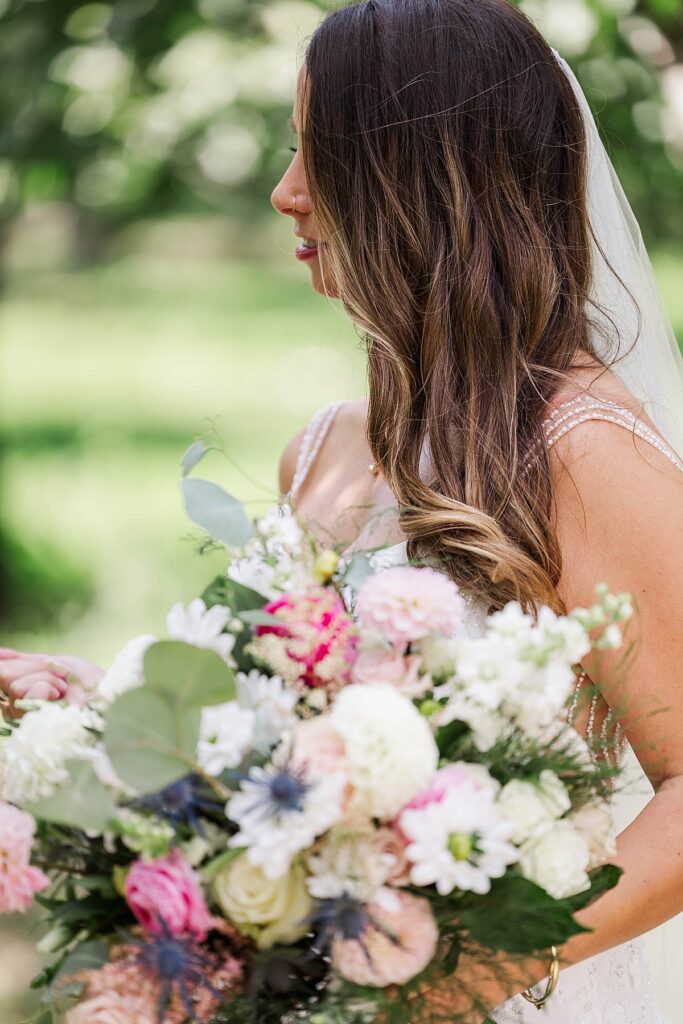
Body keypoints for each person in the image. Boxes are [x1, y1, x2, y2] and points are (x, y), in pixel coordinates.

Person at [2, 1, 682, 1021]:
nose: (284, 194)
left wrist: (474, 972)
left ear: (425, 176)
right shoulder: (319, 450)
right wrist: (106, 714)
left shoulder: (576, 451)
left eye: (319, 154)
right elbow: (307, 747)